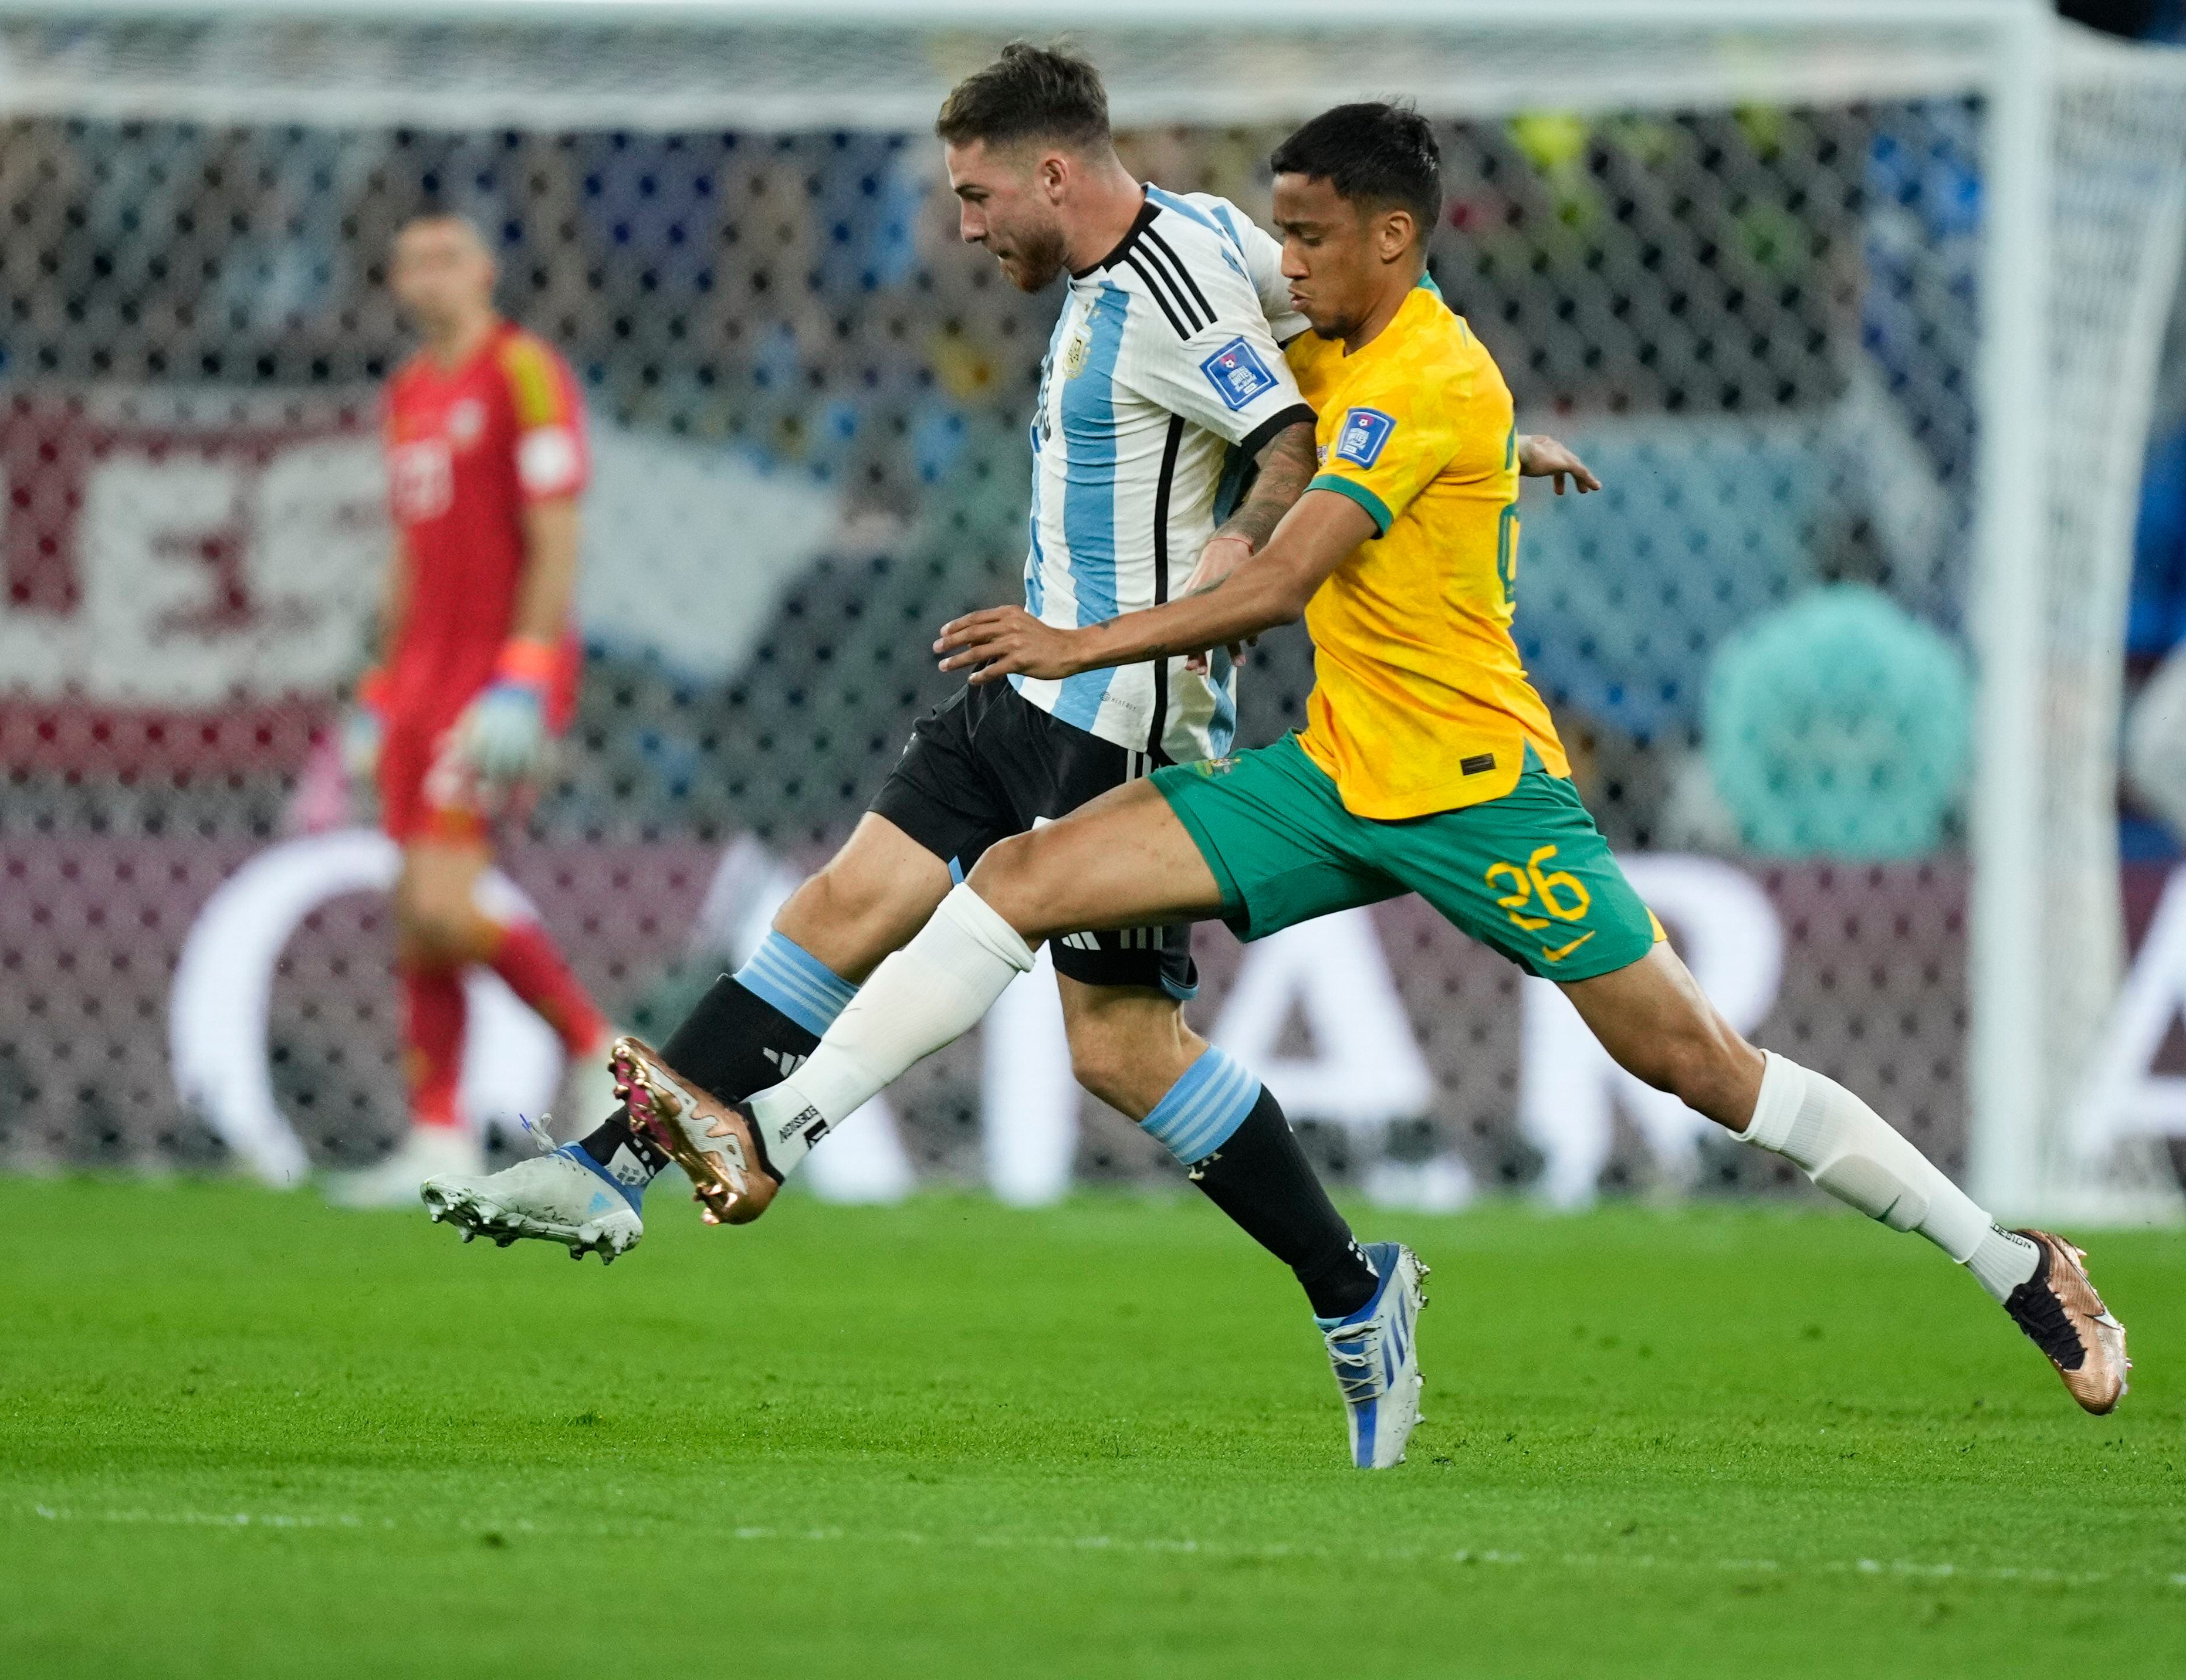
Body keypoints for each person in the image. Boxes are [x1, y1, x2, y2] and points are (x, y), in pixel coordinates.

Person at [600, 103, 2131, 1465]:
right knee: (1019, 880)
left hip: (1478, 794)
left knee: (1701, 1067)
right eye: (1282, 228)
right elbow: (1282, 398)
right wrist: (1509, 453)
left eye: (1315, 234)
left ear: (1397, 237)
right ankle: (776, 1133)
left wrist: (1083, 637)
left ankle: (2010, 1259)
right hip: (1331, 775)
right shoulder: (1347, 348)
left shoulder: (1423, 376)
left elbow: (1282, 583)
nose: (1291, 258)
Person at [422, 49, 1592, 1465]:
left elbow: (1293, 430)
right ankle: (608, 1171)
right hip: (1024, 674)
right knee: (835, 909)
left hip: (1121, 712)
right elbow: (1359, 347)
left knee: (1121, 1050)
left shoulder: (1175, 281)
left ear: (1054, 172)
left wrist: (1275, 523)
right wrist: (1498, 442)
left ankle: (1357, 1291)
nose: (966, 226)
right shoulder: (1208, 239)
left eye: (979, 195)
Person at [323, 214, 616, 1210]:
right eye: (410, 261)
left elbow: (558, 530)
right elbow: (409, 550)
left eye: (447, 257)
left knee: (447, 901)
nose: (428, 276)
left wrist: (529, 671)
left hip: (496, 674)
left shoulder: (523, 371)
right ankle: (437, 1133)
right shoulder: (408, 392)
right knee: (417, 914)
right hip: (418, 677)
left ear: (487, 270)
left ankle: (600, 1050)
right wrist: (375, 688)